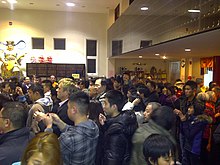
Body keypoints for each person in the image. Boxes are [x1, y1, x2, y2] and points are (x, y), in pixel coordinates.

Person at [43, 91, 99, 165]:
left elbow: (46, 152)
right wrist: (59, 122)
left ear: (73, 110)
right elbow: (76, 130)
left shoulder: (68, 138)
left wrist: (49, 126)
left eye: (68, 107)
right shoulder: (93, 126)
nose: (67, 110)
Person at [99, 90, 138, 164]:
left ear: (114, 107)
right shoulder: (124, 120)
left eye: (105, 104)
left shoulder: (116, 132)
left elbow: (112, 158)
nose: (103, 107)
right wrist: (105, 125)